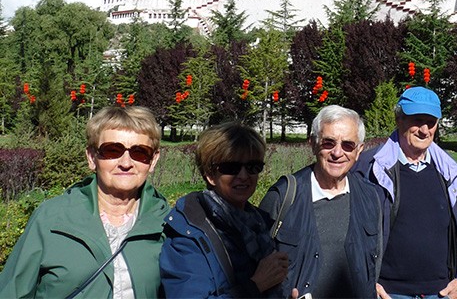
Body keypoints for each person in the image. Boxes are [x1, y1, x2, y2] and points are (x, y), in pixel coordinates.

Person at [0, 106, 168, 298]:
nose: (126, 163)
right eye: (112, 150)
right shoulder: (52, 219)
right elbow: (12, 291)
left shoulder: (166, 223)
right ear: (91, 157)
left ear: (153, 160)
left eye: (140, 152)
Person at [355, 86, 457, 299]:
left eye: (430, 123)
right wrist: (368, 284)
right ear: (399, 120)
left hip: (441, 292)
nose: (424, 129)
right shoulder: (369, 168)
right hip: (389, 293)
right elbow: (352, 232)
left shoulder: (451, 173)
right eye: (416, 120)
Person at [260, 105, 383, 299]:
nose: (337, 152)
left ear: (359, 151)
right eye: (328, 142)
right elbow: (257, 271)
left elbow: (374, 261)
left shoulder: (370, 196)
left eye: (348, 145)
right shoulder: (283, 197)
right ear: (313, 143)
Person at [160, 122, 292, 298]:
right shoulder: (189, 232)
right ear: (210, 174)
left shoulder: (260, 223)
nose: (244, 176)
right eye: (231, 168)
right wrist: (256, 285)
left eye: (253, 167)